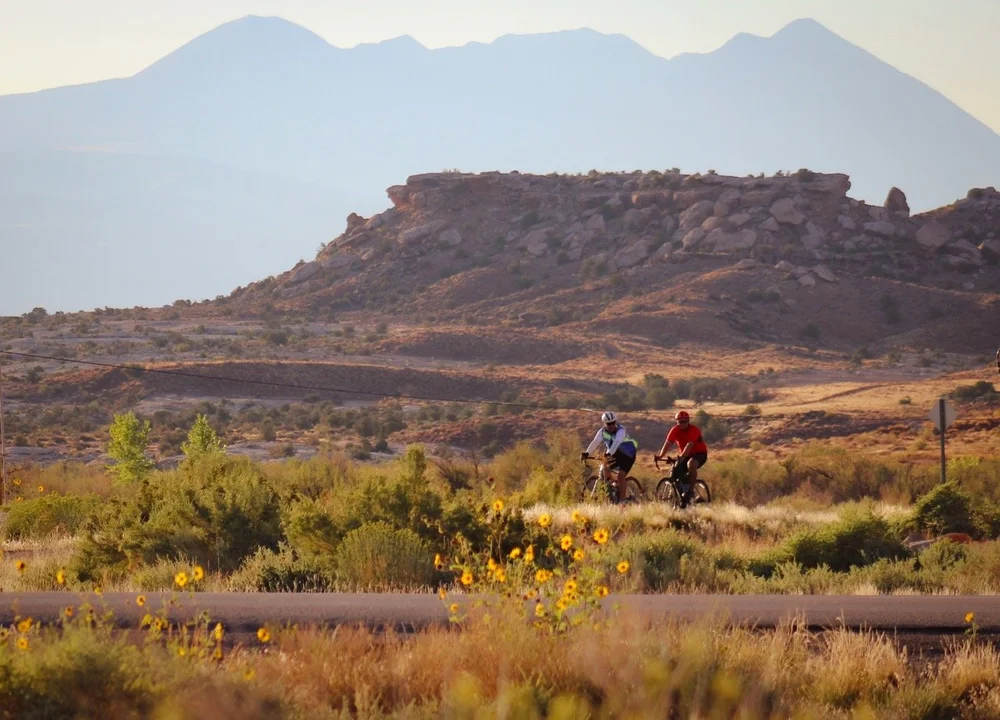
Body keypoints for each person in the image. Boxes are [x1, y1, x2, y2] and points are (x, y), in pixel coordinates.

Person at [581, 411, 638, 503]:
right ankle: (614, 484)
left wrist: (608, 454)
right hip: (615, 453)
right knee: (604, 467)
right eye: (609, 424)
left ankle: (622, 502)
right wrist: (586, 453)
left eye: (613, 423)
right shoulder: (602, 432)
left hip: (628, 455)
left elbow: (616, 443)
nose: (611, 426)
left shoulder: (621, 431)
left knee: (621, 475)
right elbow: (595, 442)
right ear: (604, 424)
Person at [654, 410, 708, 501]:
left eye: (685, 421)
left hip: (700, 454)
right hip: (686, 455)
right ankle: (682, 494)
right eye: (680, 422)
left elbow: (689, 446)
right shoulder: (674, 430)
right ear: (677, 422)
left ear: (688, 421)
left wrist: (681, 457)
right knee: (677, 471)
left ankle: (690, 491)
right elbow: (667, 444)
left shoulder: (694, 430)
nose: (682, 424)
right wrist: (660, 456)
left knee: (691, 463)